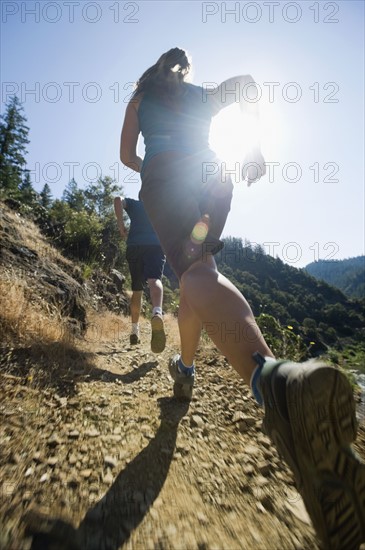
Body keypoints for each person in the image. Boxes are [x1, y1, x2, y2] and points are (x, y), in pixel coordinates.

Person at [119, 47, 365, 549]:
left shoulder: (141, 97)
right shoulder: (202, 95)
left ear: (154, 68)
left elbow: (126, 156)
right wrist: (252, 147)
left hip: (167, 180)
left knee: (196, 273)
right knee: (198, 273)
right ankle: (184, 370)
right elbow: (249, 83)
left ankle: (276, 384)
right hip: (214, 176)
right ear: (185, 70)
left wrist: (151, 166)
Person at [114, 195, 166, 353]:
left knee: (137, 290)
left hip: (135, 246)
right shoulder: (160, 208)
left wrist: (121, 226)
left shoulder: (134, 205)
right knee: (154, 280)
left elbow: (117, 199)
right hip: (155, 246)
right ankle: (157, 312)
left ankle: (134, 331)